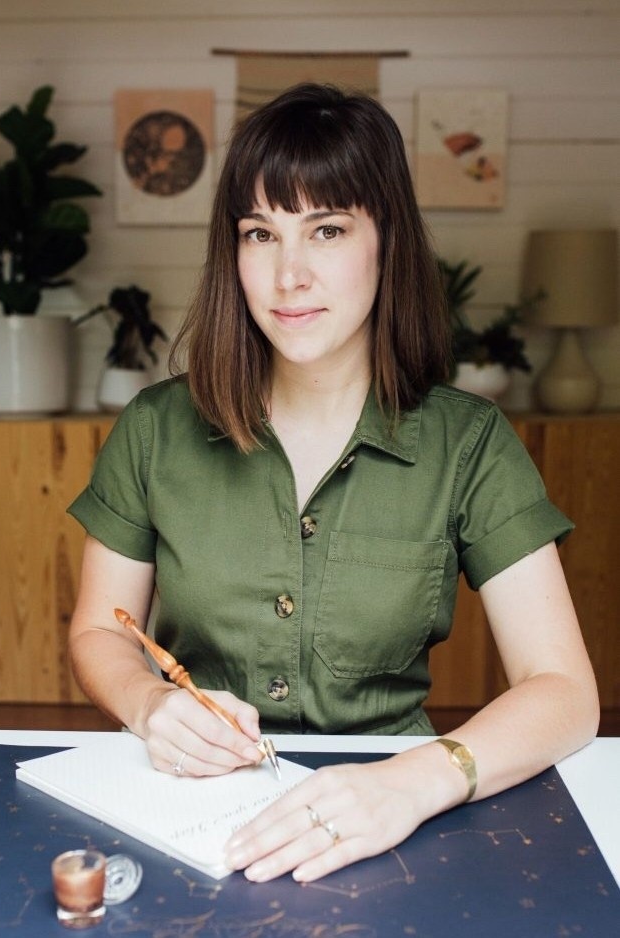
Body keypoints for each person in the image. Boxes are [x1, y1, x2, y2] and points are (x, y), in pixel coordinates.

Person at [68, 83, 599, 884]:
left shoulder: (469, 442)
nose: (289, 275)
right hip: (184, 808)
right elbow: (100, 632)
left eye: (326, 229)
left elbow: (563, 691)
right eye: (259, 233)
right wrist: (149, 704)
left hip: (391, 816)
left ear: (386, 242)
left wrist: (414, 782)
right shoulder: (153, 427)